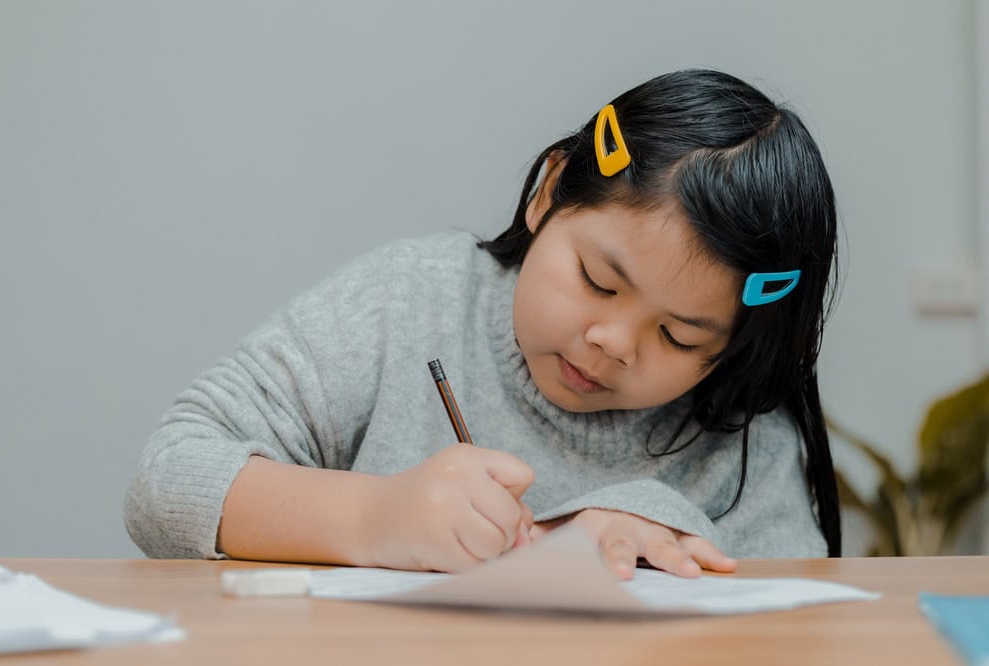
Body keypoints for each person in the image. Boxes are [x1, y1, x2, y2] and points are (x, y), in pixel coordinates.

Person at [125, 68, 841, 580]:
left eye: (679, 337)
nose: (614, 343)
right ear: (549, 192)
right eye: (597, 280)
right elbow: (165, 480)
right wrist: (375, 518)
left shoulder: (737, 432)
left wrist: (637, 541)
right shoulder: (412, 300)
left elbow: (792, 617)